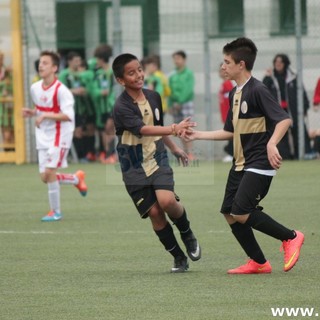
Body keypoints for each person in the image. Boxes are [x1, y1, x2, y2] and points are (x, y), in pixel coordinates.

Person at [182, 38, 304, 274]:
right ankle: (259, 262)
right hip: (241, 164)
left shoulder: (258, 89)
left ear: (241, 64)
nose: (222, 66)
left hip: (259, 163)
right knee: (229, 212)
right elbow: (230, 132)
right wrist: (196, 135)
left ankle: (291, 237)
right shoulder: (234, 94)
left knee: (241, 211)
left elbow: (284, 119)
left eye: (226, 62)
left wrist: (271, 143)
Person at [111, 53, 201, 273]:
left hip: (157, 157)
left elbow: (157, 126)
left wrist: (175, 148)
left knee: (167, 201)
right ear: (121, 80)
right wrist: (174, 128)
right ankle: (178, 257)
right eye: (131, 73)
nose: (139, 75)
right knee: (154, 213)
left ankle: (187, 233)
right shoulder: (121, 107)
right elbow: (144, 129)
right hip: (132, 165)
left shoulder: (154, 96)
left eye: (139, 69)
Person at [22, 50, 88, 222]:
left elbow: (68, 116)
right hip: (43, 135)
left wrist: (44, 116)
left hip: (60, 135)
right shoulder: (35, 88)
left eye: (45, 63)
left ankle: (56, 212)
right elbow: (42, 108)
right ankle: (75, 178)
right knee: (45, 177)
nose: (40, 65)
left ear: (55, 68)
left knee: (50, 173)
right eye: (40, 62)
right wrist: (32, 112)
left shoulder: (62, 91)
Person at [262, 53, 313, 159]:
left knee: (299, 133)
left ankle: (302, 155)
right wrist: (267, 77)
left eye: (280, 62)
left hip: (293, 111)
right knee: (280, 136)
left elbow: (301, 93)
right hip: (277, 113)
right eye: (276, 62)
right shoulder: (270, 78)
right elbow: (263, 92)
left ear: (285, 63)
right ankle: (284, 156)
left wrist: (304, 106)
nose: (278, 64)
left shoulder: (293, 77)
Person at [91, 44, 116, 164]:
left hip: (112, 106)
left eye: (97, 59)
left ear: (101, 59)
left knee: (109, 127)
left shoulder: (113, 72)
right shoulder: (97, 73)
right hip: (100, 107)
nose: (96, 61)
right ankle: (107, 154)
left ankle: (111, 153)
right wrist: (101, 92)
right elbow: (93, 90)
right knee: (103, 131)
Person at [168, 50, 195, 159]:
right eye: (174, 59)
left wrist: (180, 102)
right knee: (179, 130)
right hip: (175, 105)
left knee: (187, 128)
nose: (176, 61)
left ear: (184, 60)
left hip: (186, 103)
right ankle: (185, 153)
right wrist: (170, 104)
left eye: (178, 58)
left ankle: (191, 153)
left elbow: (188, 89)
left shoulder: (189, 73)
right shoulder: (172, 75)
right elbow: (169, 91)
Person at [218, 63, 234, 162]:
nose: (221, 72)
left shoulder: (228, 84)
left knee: (231, 133)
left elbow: (230, 101)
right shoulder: (223, 84)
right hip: (225, 114)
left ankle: (232, 153)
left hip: (229, 114)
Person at [0, 51, 14, 151]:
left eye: (2, 58)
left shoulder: (7, 71)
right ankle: (6, 151)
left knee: (11, 130)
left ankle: (11, 151)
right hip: (2, 106)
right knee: (5, 130)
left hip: (9, 105)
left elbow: (13, 86)